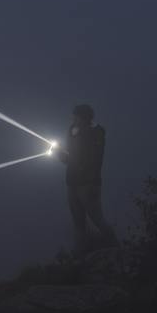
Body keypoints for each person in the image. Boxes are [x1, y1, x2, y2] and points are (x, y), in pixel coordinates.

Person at [53, 103, 117, 255]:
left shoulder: (96, 132)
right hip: (73, 183)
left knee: (97, 219)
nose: (72, 118)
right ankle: (81, 252)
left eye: (75, 115)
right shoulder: (73, 131)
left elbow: (93, 158)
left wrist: (69, 158)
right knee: (78, 221)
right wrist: (59, 153)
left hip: (88, 184)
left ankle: (115, 247)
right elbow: (69, 159)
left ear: (83, 117)